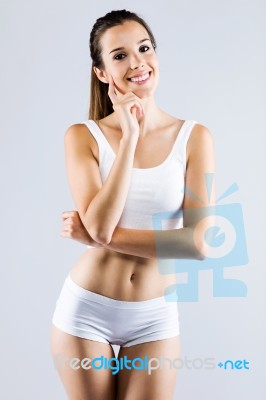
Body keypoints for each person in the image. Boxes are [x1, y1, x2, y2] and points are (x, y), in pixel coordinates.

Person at [50, 9, 216, 400]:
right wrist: (128, 138)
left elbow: (197, 244)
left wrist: (95, 236)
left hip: (154, 317)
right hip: (86, 313)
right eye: (120, 55)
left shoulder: (195, 138)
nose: (137, 62)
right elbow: (102, 227)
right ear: (102, 73)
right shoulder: (82, 136)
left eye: (144, 48)